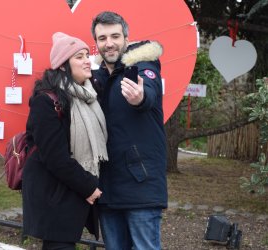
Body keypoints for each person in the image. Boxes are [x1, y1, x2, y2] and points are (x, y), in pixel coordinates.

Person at [22, 32, 108, 250]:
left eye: (87, 55)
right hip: (54, 195)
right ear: (62, 65)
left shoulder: (90, 95)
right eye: (79, 56)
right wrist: (89, 187)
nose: (87, 60)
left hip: (72, 191)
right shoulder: (46, 101)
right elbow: (54, 157)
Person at [91, 11, 168, 250]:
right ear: (96, 43)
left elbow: (150, 91)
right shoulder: (96, 77)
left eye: (115, 36)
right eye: (102, 38)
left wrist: (140, 97)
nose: (109, 43)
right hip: (107, 188)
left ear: (126, 37)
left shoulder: (143, 65)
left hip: (141, 187)